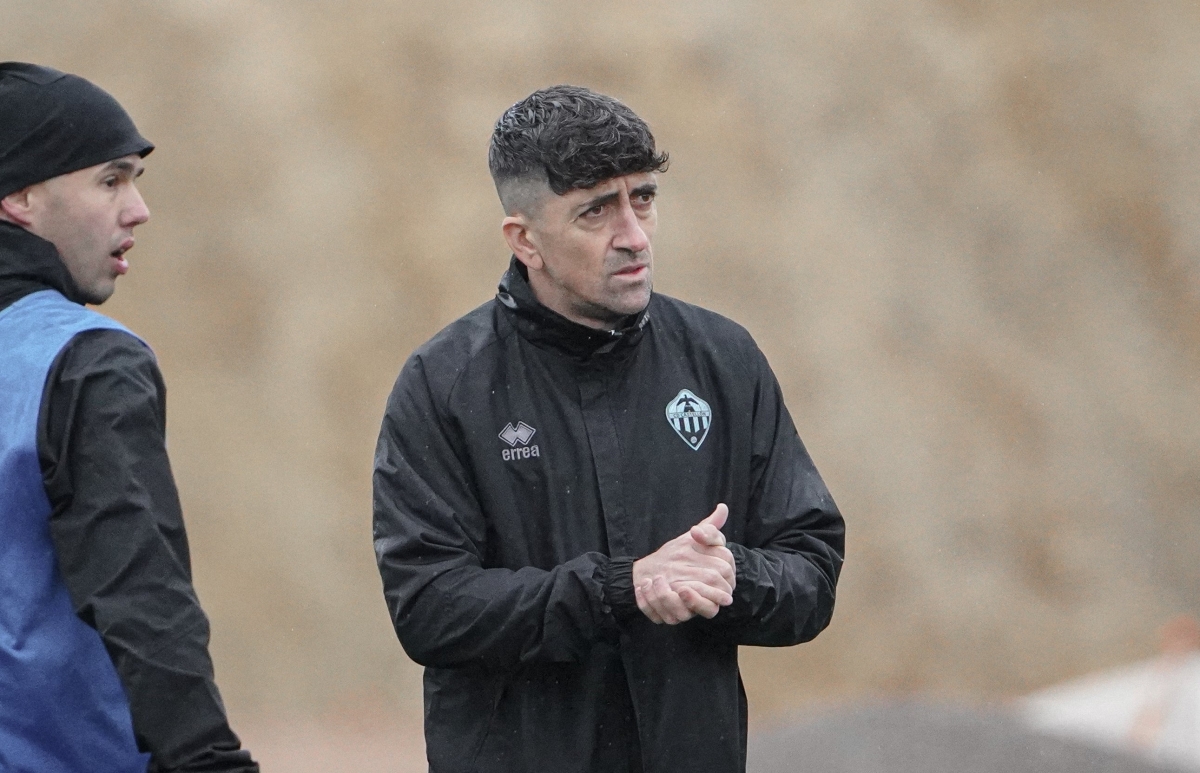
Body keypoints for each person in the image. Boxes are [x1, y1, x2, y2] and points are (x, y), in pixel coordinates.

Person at [373, 85, 845, 773]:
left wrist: (730, 575)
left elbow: (812, 569)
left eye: (643, 198)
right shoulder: (442, 385)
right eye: (596, 210)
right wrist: (620, 588)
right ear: (525, 240)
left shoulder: (723, 359)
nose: (634, 235)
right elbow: (429, 607)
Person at [0, 63, 257, 773]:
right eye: (110, 180)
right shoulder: (82, 361)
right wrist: (207, 759)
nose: (138, 209)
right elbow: (140, 593)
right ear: (19, 196)